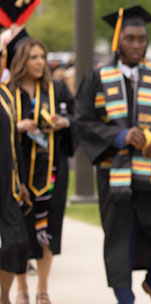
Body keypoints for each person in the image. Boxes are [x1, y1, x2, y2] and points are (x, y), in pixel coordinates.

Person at [75, 6, 151, 304]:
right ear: (117, 40)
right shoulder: (97, 77)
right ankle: (125, 298)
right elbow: (82, 120)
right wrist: (120, 136)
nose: (136, 45)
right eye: (130, 38)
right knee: (119, 241)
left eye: (141, 38)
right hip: (115, 177)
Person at [7, 37, 75, 304]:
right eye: (33, 57)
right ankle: (22, 287)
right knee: (21, 231)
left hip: (52, 171)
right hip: (18, 172)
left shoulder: (56, 89)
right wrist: (18, 127)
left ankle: (43, 289)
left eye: (42, 57)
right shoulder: (8, 92)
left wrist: (63, 123)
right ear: (21, 60)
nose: (39, 62)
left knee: (48, 227)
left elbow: (75, 117)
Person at [0, 32, 29, 304]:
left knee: (14, 244)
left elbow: (13, 143)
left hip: (7, 184)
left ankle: (4, 296)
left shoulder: (5, 96)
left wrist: (19, 180)